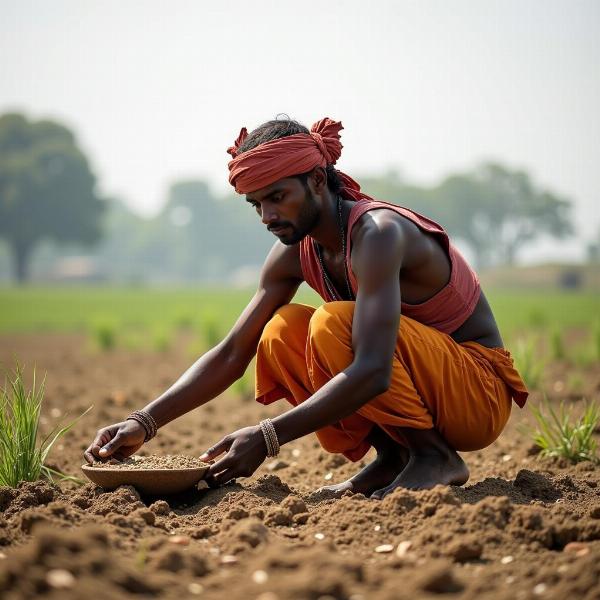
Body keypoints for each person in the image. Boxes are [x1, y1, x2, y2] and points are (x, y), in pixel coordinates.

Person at [84, 117, 528, 499]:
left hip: (477, 393)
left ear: (317, 179)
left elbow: (373, 368)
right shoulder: (294, 250)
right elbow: (235, 351)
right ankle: (395, 457)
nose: (267, 216)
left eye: (277, 196)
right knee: (280, 331)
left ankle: (434, 458)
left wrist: (268, 436)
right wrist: (143, 421)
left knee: (332, 323)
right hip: (425, 386)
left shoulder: (379, 234)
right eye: (256, 204)